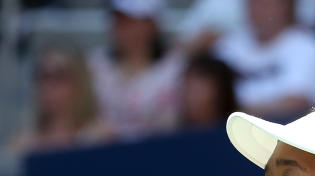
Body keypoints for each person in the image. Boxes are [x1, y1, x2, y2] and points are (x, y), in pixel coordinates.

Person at [212, 0, 315, 119]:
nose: (258, 8)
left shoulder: (309, 46)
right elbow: (208, 105)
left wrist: (236, 111)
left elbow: (297, 103)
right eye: (253, 2)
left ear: (286, 5)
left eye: (265, 3)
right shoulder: (226, 48)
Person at [87, 0, 185, 139]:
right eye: (117, 18)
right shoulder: (96, 65)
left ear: (151, 23)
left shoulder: (176, 69)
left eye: (128, 20)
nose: (119, 26)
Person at [7, 48, 112, 155]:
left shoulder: (99, 139)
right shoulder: (25, 145)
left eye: (59, 75)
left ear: (80, 82)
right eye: (43, 76)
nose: (48, 85)